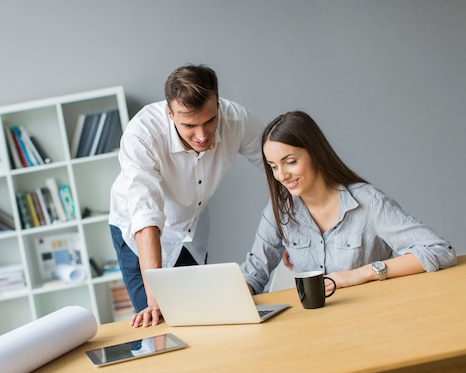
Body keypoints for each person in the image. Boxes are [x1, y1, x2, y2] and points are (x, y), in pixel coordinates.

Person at [109, 64, 265, 327]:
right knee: (157, 320)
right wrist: (155, 297)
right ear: (169, 112)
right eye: (190, 125)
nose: (202, 135)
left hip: (191, 230)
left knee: (201, 318)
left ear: (217, 103)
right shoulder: (142, 135)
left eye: (210, 120)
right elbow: (146, 217)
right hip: (138, 237)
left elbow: (280, 167)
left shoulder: (236, 120)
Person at [241, 111, 457, 294]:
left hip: (374, 323)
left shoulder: (368, 202)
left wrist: (360, 274)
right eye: (273, 166)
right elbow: (253, 273)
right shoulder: (279, 210)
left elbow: (439, 250)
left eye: (290, 162)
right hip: (315, 329)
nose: (281, 175)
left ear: (315, 153)